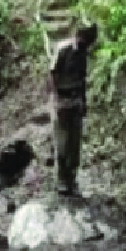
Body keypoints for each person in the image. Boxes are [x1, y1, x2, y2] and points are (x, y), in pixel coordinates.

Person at [49, 23, 97, 196]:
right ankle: (62, 179)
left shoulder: (83, 53)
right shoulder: (63, 49)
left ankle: (72, 178)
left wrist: (84, 101)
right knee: (62, 142)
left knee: (75, 142)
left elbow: (82, 78)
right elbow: (53, 73)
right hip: (62, 99)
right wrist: (56, 98)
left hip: (76, 99)